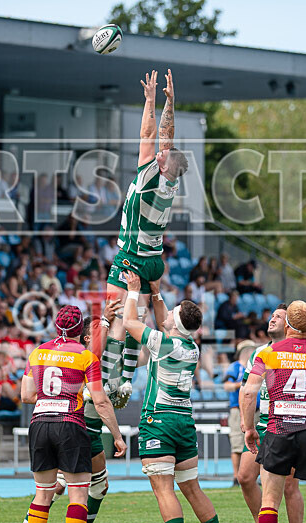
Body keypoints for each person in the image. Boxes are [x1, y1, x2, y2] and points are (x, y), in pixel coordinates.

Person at [103, 69, 190, 408]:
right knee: (127, 320)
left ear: (167, 165)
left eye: (164, 155)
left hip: (132, 256)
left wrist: (163, 103)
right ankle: (124, 381)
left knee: (114, 317)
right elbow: (151, 132)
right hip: (152, 260)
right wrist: (158, 101)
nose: (159, 151)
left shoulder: (157, 181)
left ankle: (111, 383)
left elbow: (159, 136)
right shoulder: (159, 174)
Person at [122, 272, 221, 523]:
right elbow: (165, 320)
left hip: (159, 419)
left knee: (164, 489)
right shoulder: (192, 347)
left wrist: (133, 291)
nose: (167, 313)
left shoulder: (164, 343)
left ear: (175, 322)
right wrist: (155, 292)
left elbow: (129, 321)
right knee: (192, 488)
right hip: (184, 421)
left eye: (172, 311)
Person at [19, 305, 127, 523]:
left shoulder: (37, 352)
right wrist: (117, 436)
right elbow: (100, 401)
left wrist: (51, 397)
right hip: (70, 424)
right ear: (80, 330)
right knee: (78, 496)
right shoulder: (85, 356)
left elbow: (26, 396)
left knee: (43, 495)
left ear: (56, 326)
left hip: (39, 423)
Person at [241, 300, 306, 523]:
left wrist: (249, 428)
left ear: (287, 324)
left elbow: (249, 393)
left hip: (278, 430)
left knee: (269, 502)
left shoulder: (268, 354)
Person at [50, 298, 123, 523]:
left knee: (90, 488)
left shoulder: (94, 357)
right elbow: (100, 401)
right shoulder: (84, 357)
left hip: (80, 430)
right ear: (87, 337)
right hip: (80, 431)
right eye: (100, 332)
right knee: (64, 489)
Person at [237, 304, 305, 523]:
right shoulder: (259, 352)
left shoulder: (296, 352)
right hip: (263, 423)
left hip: (288, 424)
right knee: (245, 478)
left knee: (289, 486)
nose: (272, 319)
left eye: (278, 316)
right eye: (272, 315)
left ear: (289, 325)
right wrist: (245, 422)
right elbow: (244, 388)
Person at [222, 339, 254, 487]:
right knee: (237, 444)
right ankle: (236, 477)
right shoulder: (235, 367)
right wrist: (242, 385)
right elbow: (226, 386)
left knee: (255, 444)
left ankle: (251, 476)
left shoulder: (257, 367)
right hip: (237, 410)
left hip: (256, 411)